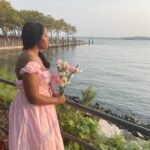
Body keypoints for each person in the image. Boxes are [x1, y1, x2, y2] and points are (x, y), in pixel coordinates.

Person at [9, 22, 65, 150]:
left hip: (39, 108)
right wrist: (57, 100)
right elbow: (33, 97)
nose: (48, 38)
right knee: (38, 144)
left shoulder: (34, 55)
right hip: (33, 111)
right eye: (46, 35)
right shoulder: (30, 59)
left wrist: (52, 92)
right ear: (36, 38)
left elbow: (37, 85)